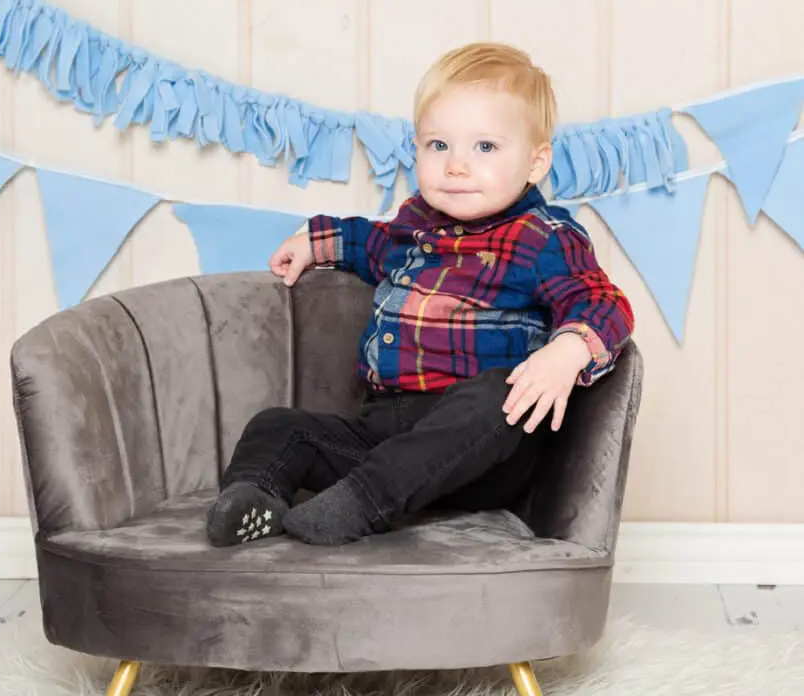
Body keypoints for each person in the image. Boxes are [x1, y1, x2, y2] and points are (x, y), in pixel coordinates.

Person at [205, 41, 634, 547]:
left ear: (536, 162)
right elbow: (371, 242)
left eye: (485, 148)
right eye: (438, 146)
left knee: (499, 396)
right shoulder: (415, 227)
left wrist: (567, 351)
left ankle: (361, 503)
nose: (456, 166)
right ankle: (253, 498)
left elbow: (602, 302)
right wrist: (315, 243)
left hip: (481, 452)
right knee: (278, 425)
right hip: (386, 433)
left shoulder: (542, 239)